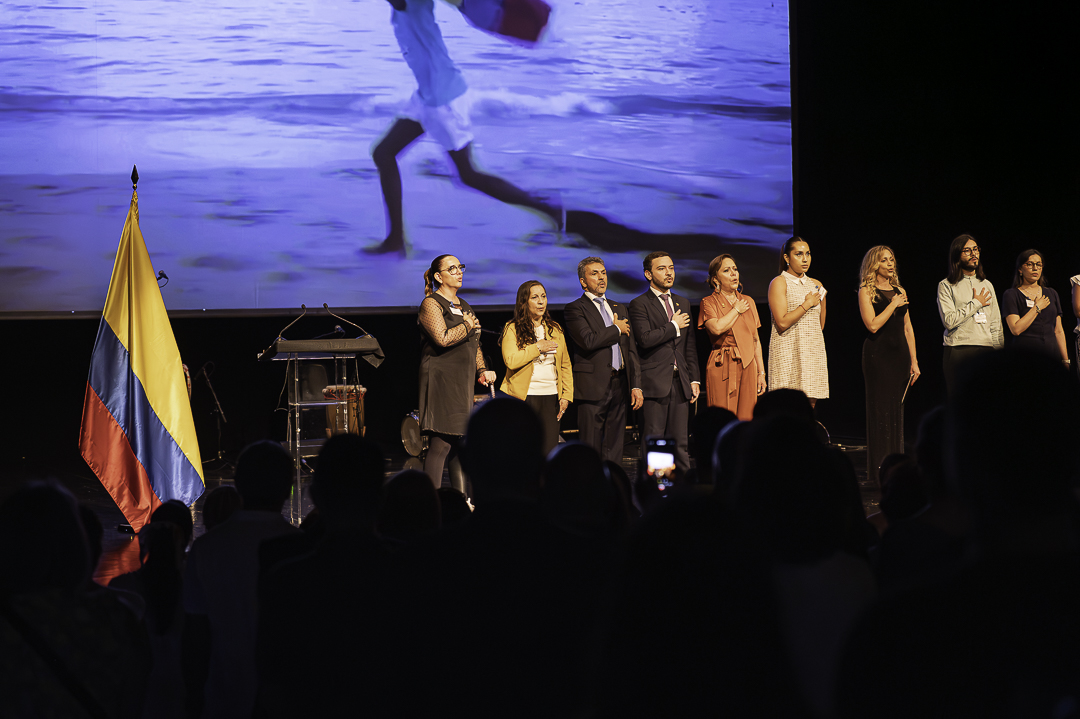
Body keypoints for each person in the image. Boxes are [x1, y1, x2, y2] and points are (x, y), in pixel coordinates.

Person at [364, 0, 560, 255]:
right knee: (383, 153)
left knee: (468, 174)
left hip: (443, 100)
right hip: (427, 96)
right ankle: (395, 240)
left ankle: (550, 210)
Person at [417, 254, 496, 492]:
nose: (459, 271)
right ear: (439, 276)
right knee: (441, 443)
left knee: (459, 442)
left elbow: (474, 344)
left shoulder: (465, 305)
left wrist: (481, 369)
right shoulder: (431, 303)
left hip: (462, 380)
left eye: (460, 267)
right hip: (441, 378)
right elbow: (442, 339)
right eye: (452, 268)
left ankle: (462, 501)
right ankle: (430, 502)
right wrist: (467, 325)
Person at [563, 257, 642, 464]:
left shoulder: (619, 307)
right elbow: (588, 340)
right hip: (592, 386)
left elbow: (630, 350)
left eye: (603, 273)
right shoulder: (575, 308)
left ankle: (613, 487)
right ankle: (590, 490)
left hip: (620, 383)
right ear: (583, 281)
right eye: (594, 273)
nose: (601, 278)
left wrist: (635, 385)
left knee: (615, 445)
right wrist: (616, 329)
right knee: (590, 447)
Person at [629, 251, 700, 476]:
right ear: (648, 274)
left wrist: (694, 378)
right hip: (654, 384)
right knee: (656, 443)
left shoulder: (683, 302)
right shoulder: (639, 304)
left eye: (671, 267)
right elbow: (645, 339)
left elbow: (688, 346)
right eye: (662, 268)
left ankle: (684, 493)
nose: (669, 272)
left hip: (680, 383)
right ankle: (659, 492)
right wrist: (673, 325)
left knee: (680, 442)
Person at [858, 246, 920, 479]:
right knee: (880, 411)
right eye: (884, 260)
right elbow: (872, 325)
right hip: (878, 356)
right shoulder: (866, 291)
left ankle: (896, 469)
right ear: (875, 265)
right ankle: (879, 471)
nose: (890, 264)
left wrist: (914, 360)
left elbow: (908, 327)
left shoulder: (899, 290)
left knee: (896, 411)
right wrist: (893, 304)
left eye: (892, 259)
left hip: (900, 356)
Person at [500, 280, 573, 456]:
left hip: (551, 397)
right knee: (524, 450)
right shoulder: (512, 328)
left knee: (549, 450)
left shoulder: (555, 329)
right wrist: (537, 348)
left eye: (543, 296)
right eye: (535, 297)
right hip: (523, 397)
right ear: (524, 302)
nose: (541, 301)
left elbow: (565, 365)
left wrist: (566, 396)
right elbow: (510, 360)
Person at [698, 254, 765, 420]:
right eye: (727, 270)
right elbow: (716, 328)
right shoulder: (708, 302)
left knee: (748, 417)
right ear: (715, 279)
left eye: (735, 269)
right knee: (722, 418)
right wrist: (736, 310)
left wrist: (761, 373)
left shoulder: (748, 301)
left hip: (748, 363)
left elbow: (755, 340)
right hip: (723, 364)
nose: (734, 273)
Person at [935, 233, 1003, 395]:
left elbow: (995, 324)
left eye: (976, 249)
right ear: (957, 255)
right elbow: (949, 321)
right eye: (967, 250)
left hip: (986, 349)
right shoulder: (946, 285)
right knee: (961, 401)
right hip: (959, 349)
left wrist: (999, 354)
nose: (974, 254)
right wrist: (976, 303)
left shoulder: (987, 284)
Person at [768, 237, 828, 407]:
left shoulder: (816, 285)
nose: (805, 259)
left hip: (812, 352)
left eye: (807, 254)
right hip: (788, 351)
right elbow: (782, 322)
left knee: (809, 408)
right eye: (799, 254)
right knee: (786, 406)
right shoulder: (779, 282)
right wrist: (807, 304)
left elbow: (820, 325)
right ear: (787, 258)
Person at [1001, 249, 1070, 367]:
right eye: (1029, 264)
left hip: (1051, 354)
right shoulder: (1011, 294)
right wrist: (1037, 307)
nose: (1035, 268)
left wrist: (1065, 360)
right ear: (1020, 269)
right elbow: (1016, 329)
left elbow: (1058, 330)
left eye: (1038, 264)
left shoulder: (1051, 293)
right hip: (1025, 354)